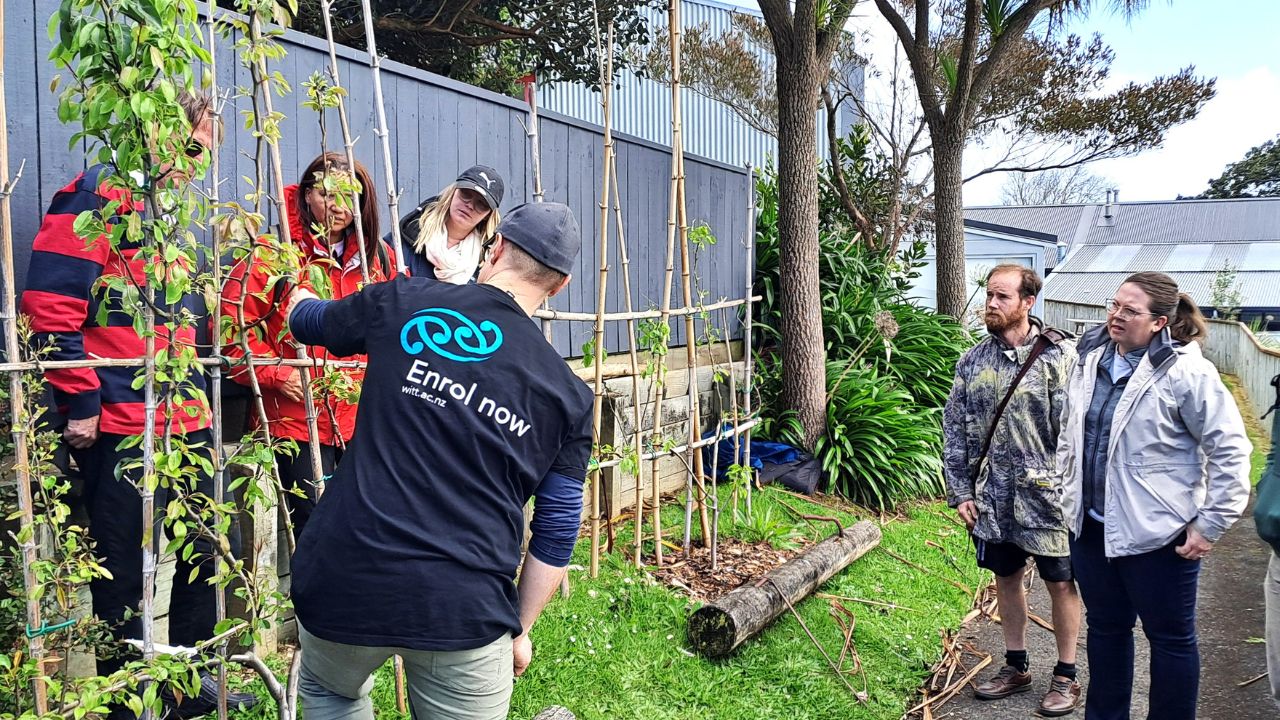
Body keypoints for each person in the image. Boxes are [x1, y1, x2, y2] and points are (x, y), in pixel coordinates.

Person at [284, 201, 591, 720]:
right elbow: (558, 529)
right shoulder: (570, 397)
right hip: (464, 609)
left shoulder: (405, 300)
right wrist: (519, 630)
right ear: (559, 286)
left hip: (345, 580)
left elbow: (311, 322)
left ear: (494, 249)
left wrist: (297, 296)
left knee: (332, 695)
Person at [20, 90, 255, 715]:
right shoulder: (97, 195)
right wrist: (81, 400)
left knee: (211, 550)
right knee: (122, 572)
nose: (193, 164)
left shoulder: (169, 212)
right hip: (123, 422)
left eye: (203, 154)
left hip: (186, 417)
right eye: (187, 147)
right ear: (151, 132)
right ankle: (124, 701)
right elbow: (49, 305)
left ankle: (190, 688)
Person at [1057, 272, 1252, 720]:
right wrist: (1067, 495)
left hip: (1159, 537)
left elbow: (1231, 449)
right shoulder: (1090, 357)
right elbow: (1071, 434)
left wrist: (1209, 526)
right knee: (1105, 631)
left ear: (1160, 322)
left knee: (1170, 640)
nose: (1115, 316)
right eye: (1114, 305)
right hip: (1091, 530)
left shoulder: (1185, 371)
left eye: (1130, 310)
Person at [220, 151, 395, 537]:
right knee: (313, 530)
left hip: (358, 420)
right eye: (326, 194)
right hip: (293, 422)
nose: (338, 206)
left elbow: (397, 330)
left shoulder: (378, 260)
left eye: (349, 196)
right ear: (305, 195)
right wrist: (277, 374)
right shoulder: (274, 255)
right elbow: (233, 334)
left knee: (363, 527)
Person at [943, 264, 1082, 716]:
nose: (991, 304)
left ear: (1028, 302)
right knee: (1006, 578)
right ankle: (1016, 666)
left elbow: (1076, 436)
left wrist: (1073, 494)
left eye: (1002, 296)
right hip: (993, 499)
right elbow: (955, 430)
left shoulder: (1059, 357)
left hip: (1048, 500)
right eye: (989, 295)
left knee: (1060, 582)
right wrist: (961, 491)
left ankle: (1066, 675)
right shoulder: (973, 361)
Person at [392, 165, 504, 282]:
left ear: (488, 215)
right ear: (453, 193)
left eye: (481, 204)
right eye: (466, 194)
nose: (470, 205)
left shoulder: (488, 262)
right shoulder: (406, 235)